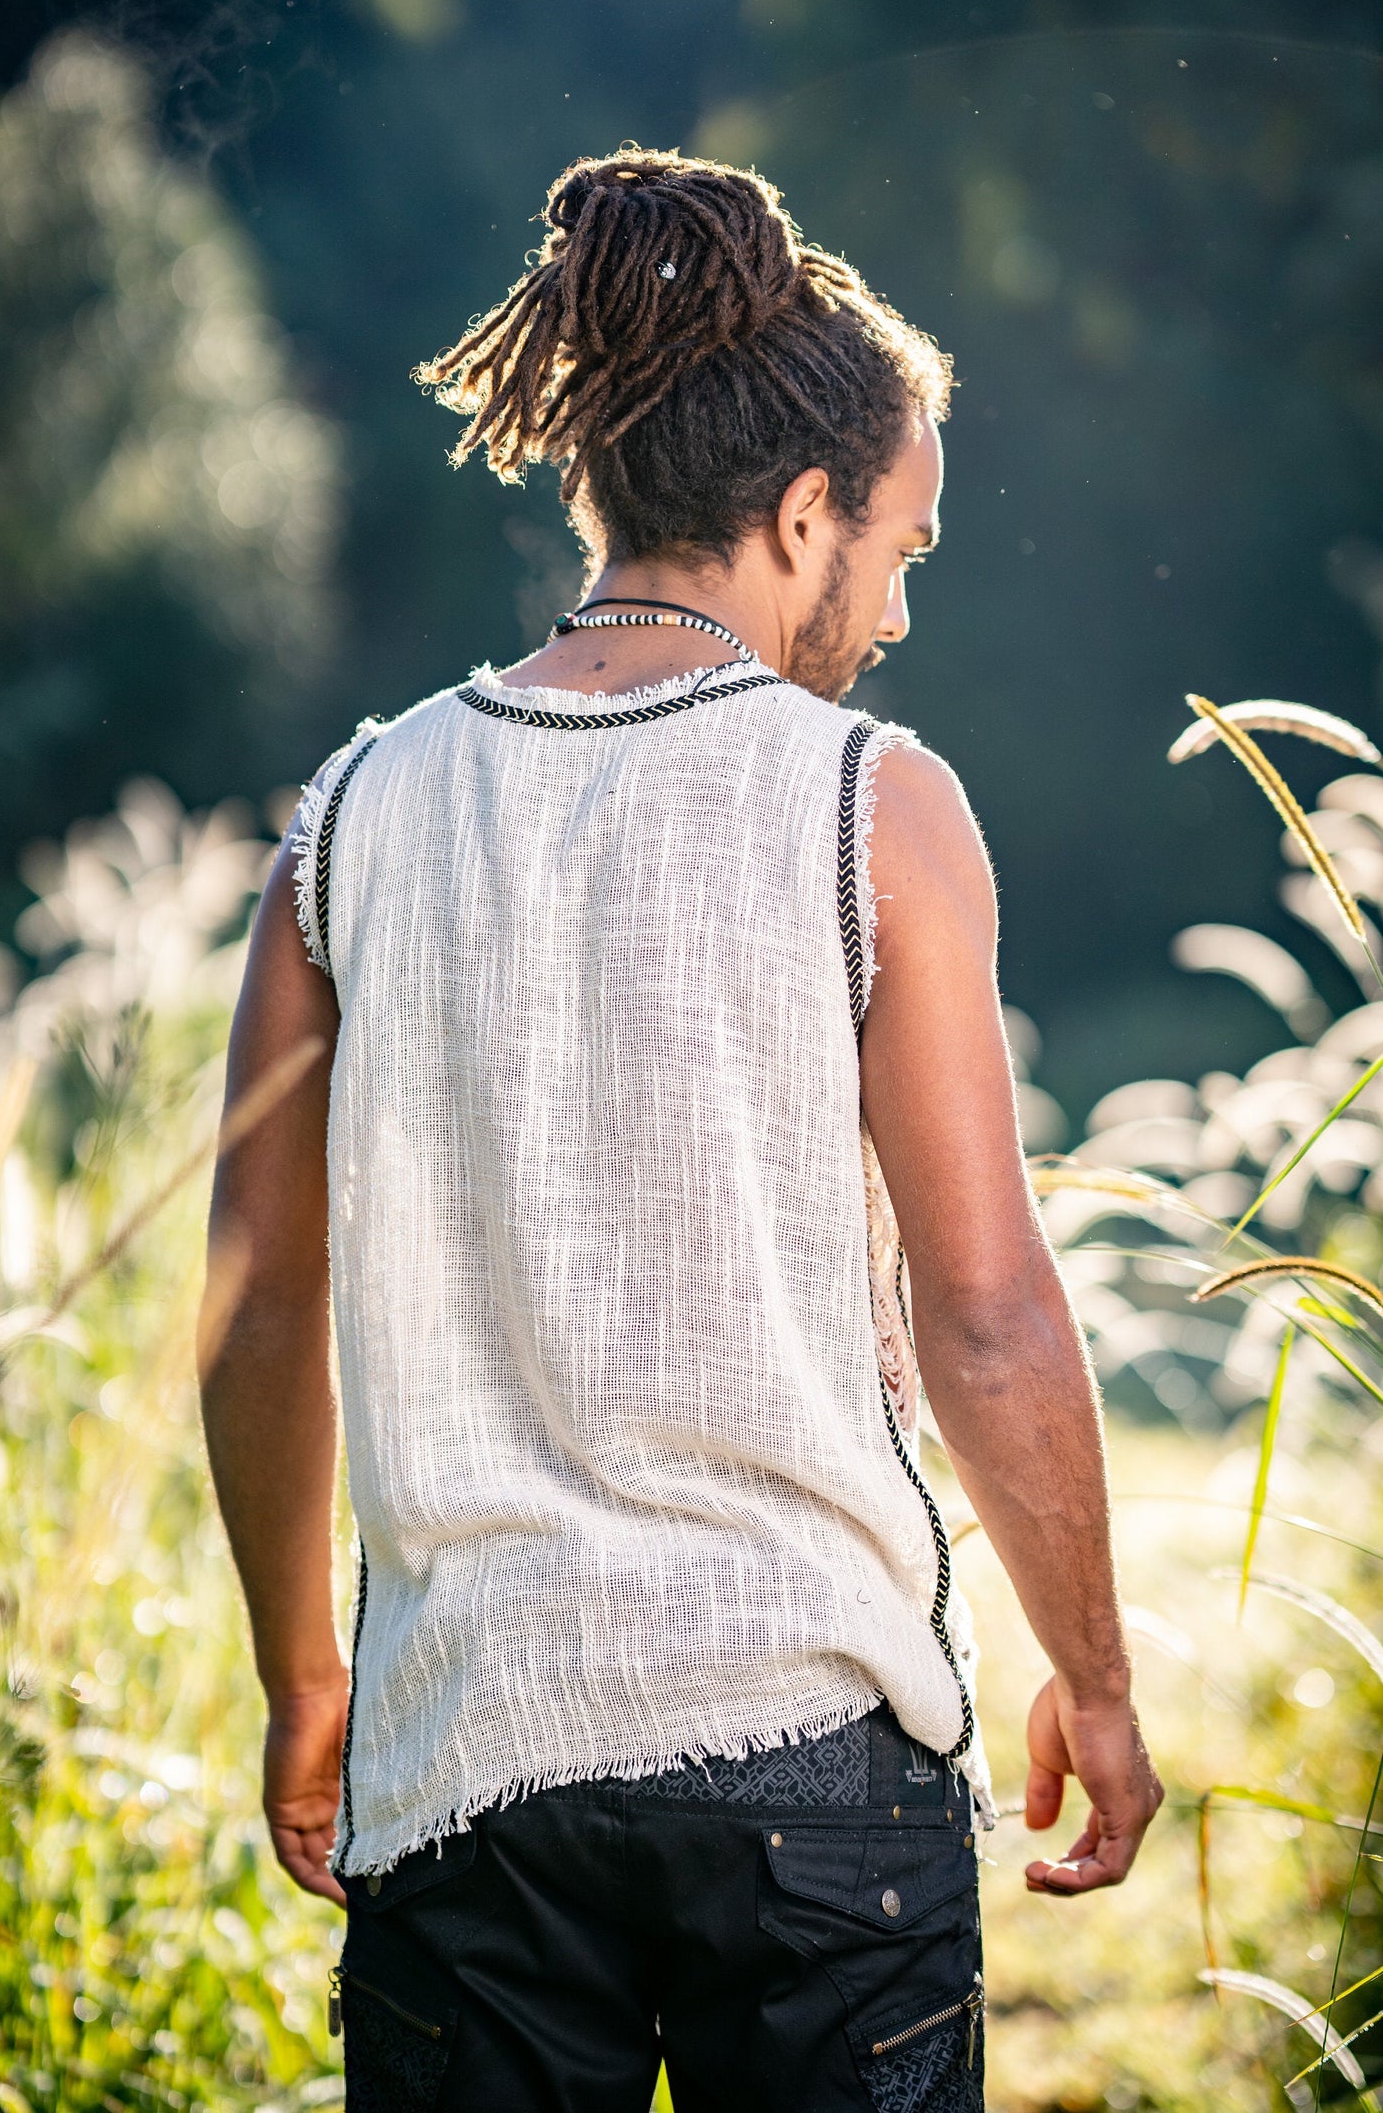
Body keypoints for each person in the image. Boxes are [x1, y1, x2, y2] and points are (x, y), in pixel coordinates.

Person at [199, 147, 1162, 2112]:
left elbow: (255, 1306)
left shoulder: (349, 818)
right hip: (815, 1755)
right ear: (803, 514)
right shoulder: (868, 802)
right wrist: (1097, 1676)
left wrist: (306, 1677)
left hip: (467, 1766)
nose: (896, 607)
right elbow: (986, 1312)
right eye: (900, 547)